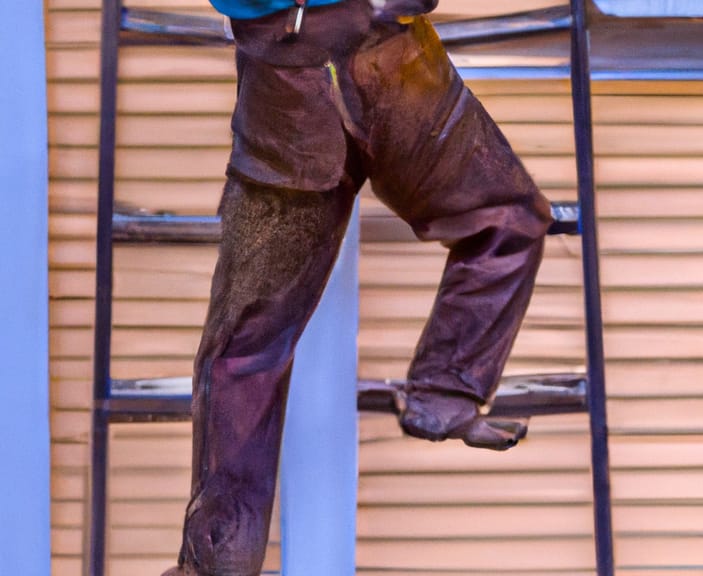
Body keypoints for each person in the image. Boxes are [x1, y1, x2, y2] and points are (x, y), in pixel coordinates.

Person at [161, 0, 552, 574]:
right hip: (327, 75)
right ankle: (444, 392)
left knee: (245, 351)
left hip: (365, 65)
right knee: (247, 350)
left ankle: (444, 394)